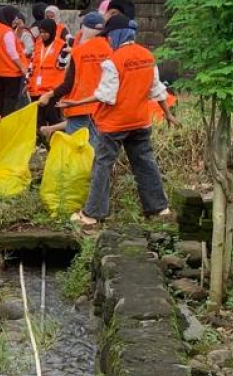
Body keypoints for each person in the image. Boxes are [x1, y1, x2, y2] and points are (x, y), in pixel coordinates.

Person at [65, 14, 177, 227]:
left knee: (102, 165)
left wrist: (75, 102)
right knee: (145, 163)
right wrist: (169, 114)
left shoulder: (113, 61)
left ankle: (92, 214)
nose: (108, 40)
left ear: (116, 35)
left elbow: (106, 95)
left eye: (109, 36)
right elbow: (158, 90)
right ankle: (159, 208)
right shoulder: (147, 56)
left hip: (114, 124)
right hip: (141, 121)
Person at [41, 11, 109, 138]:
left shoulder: (79, 52)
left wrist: (50, 94)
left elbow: (68, 83)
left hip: (79, 106)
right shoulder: (111, 49)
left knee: (74, 148)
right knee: (94, 149)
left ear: (84, 28)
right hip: (102, 107)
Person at [0, 6, 29, 116]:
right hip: (10, 71)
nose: (16, 20)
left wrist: (20, 28)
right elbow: (12, 52)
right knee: (10, 100)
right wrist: (22, 67)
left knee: (2, 97)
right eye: (15, 18)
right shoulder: (7, 32)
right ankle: (6, 121)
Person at [27, 19, 66, 129]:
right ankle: (41, 143)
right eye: (41, 32)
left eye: (45, 32)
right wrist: (27, 81)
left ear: (52, 31)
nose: (42, 35)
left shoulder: (61, 45)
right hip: (35, 90)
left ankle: (56, 143)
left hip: (51, 91)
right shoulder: (38, 44)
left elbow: (63, 65)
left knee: (54, 120)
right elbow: (32, 64)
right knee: (38, 121)